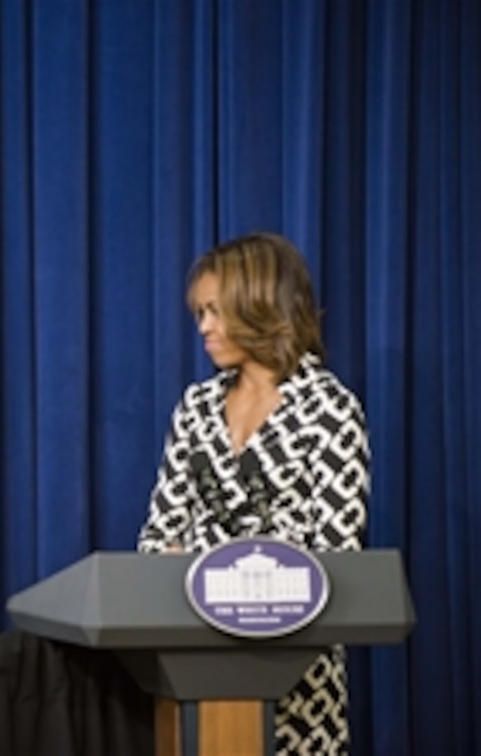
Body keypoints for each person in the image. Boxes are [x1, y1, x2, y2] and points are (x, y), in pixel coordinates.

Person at [137, 232, 370, 754]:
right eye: (200, 313)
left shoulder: (329, 409)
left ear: (261, 304)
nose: (205, 328)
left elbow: (338, 559)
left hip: (296, 679)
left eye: (217, 312)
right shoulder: (195, 407)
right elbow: (158, 537)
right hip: (194, 669)